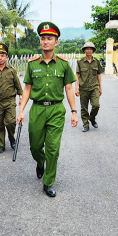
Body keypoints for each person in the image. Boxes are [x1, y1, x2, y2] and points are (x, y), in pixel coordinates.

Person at [17, 22, 79, 198]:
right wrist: (21, 110)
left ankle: (48, 182)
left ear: (56, 42)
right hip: (37, 110)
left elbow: (68, 89)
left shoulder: (64, 65)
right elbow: (27, 89)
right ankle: (40, 162)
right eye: (43, 38)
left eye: (49, 38)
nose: (45, 41)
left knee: (53, 148)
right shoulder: (32, 64)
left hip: (56, 110)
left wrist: (74, 111)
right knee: (35, 147)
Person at [75, 41, 103, 132]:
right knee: (84, 108)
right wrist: (76, 88)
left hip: (94, 87)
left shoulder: (96, 62)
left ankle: (92, 118)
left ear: (93, 50)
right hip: (83, 88)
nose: (89, 50)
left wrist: (100, 87)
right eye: (87, 49)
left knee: (96, 105)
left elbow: (99, 74)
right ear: (84, 50)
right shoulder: (80, 62)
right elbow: (77, 75)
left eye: (90, 49)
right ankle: (85, 124)